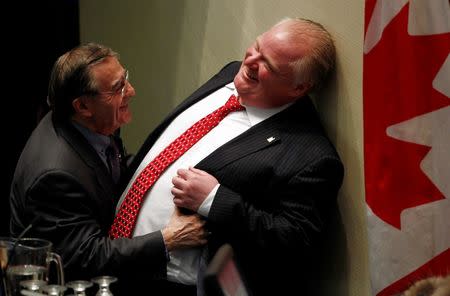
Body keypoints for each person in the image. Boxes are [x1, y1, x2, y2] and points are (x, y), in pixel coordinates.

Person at [113, 17, 344, 295]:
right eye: (256, 47)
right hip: (116, 254)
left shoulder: (311, 156)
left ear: (298, 88)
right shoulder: (230, 74)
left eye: (267, 64)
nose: (250, 61)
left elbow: (294, 241)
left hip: (170, 284)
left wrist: (215, 199)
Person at [9, 43, 207, 292]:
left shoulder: (89, 122)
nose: (131, 91)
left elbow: (110, 166)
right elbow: (85, 257)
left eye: (126, 79)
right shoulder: (56, 175)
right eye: (118, 88)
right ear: (83, 106)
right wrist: (168, 239)